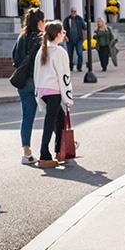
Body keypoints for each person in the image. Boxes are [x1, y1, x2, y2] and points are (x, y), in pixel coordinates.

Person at [33, 20, 74, 169]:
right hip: (54, 91)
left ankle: (59, 150)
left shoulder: (42, 50)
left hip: (43, 90)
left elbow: (36, 73)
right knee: (50, 122)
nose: (64, 35)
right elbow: (65, 77)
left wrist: (37, 93)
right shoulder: (60, 52)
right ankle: (44, 153)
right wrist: (68, 98)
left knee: (60, 119)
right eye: (63, 32)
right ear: (57, 35)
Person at [11, 7, 45, 165]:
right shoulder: (41, 39)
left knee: (27, 117)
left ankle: (26, 152)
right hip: (39, 81)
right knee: (54, 114)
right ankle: (56, 148)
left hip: (24, 82)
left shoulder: (21, 37)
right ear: (39, 22)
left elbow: (15, 59)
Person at [63, 6, 86, 72]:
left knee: (80, 53)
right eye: (72, 11)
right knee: (70, 54)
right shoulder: (67, 19)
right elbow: (64, 29)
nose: (73, 12)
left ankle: (79, 67)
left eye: (75, 11)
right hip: (70, 40)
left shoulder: (79, 19)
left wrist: (84, 36)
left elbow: (84, 27)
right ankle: (70, 67)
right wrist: (65, 36)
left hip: (79, 39)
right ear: (71, 12)